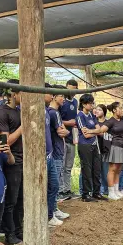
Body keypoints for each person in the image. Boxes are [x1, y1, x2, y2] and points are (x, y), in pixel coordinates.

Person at [0, 78, 24, 245]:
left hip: (23, 158)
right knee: (11, 199)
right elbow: (5, 142)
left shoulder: (19, 111)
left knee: (21, 199)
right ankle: (10, 234)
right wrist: (21, 128)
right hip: (11, 161)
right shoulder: (1, 113)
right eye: (22, 93)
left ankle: (19, 231)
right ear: (13, 94)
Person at [101, 101, 123, 200]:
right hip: (114, 146)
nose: (122, 110)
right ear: (114, 110)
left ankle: (116, 190)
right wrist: (91, 131)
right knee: (112, 169)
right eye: (120, 108)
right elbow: (101, 130)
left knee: (118, 170)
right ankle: (111, 192)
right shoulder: (111, 121)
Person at [76, 94, 106, 202]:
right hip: (85, 145)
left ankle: (96, 193)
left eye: (93, 103)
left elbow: (100, 130)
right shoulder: (80, 116)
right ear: (84, 104)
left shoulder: (92, 116)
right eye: (90, 103)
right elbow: (86, 135)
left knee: (97, 169)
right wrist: (95, 132)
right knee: (87, 170)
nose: (92, 105)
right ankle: (86, 194)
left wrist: (91, 131)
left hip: (94, 145)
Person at [47, 85, 70, 221]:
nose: (64, 99)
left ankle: (55, 209)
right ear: (54, 97)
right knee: (54, 184)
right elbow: (61, 131)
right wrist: (65, 131)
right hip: (54, 152)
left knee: (56, 182)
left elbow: (63, 130)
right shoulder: (52, 112)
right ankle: (52, 212)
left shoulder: (56, 112)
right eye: (61, 96)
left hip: (59, 151)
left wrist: (64, 130)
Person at [58, 79, 80, 200]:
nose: (72, 92)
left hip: (72, 138)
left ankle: (67, 189)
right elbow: (57, 120)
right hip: (62, 138)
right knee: (61, 165)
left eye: (74, 89)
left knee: (68, 166)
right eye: (70, 89)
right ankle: (60, 190)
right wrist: (69, 123)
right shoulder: (62, 102)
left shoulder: (75, 102)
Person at [95, 104, 111, 197]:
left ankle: (106, 189)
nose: (97, 111)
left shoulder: (108, 123)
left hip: (105, 150)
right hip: (96, 150)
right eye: (96, 109)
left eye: (100, 110)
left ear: (104, 112)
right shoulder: (94, 122)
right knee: (97, 171)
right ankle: (99, 190)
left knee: (105, 171)